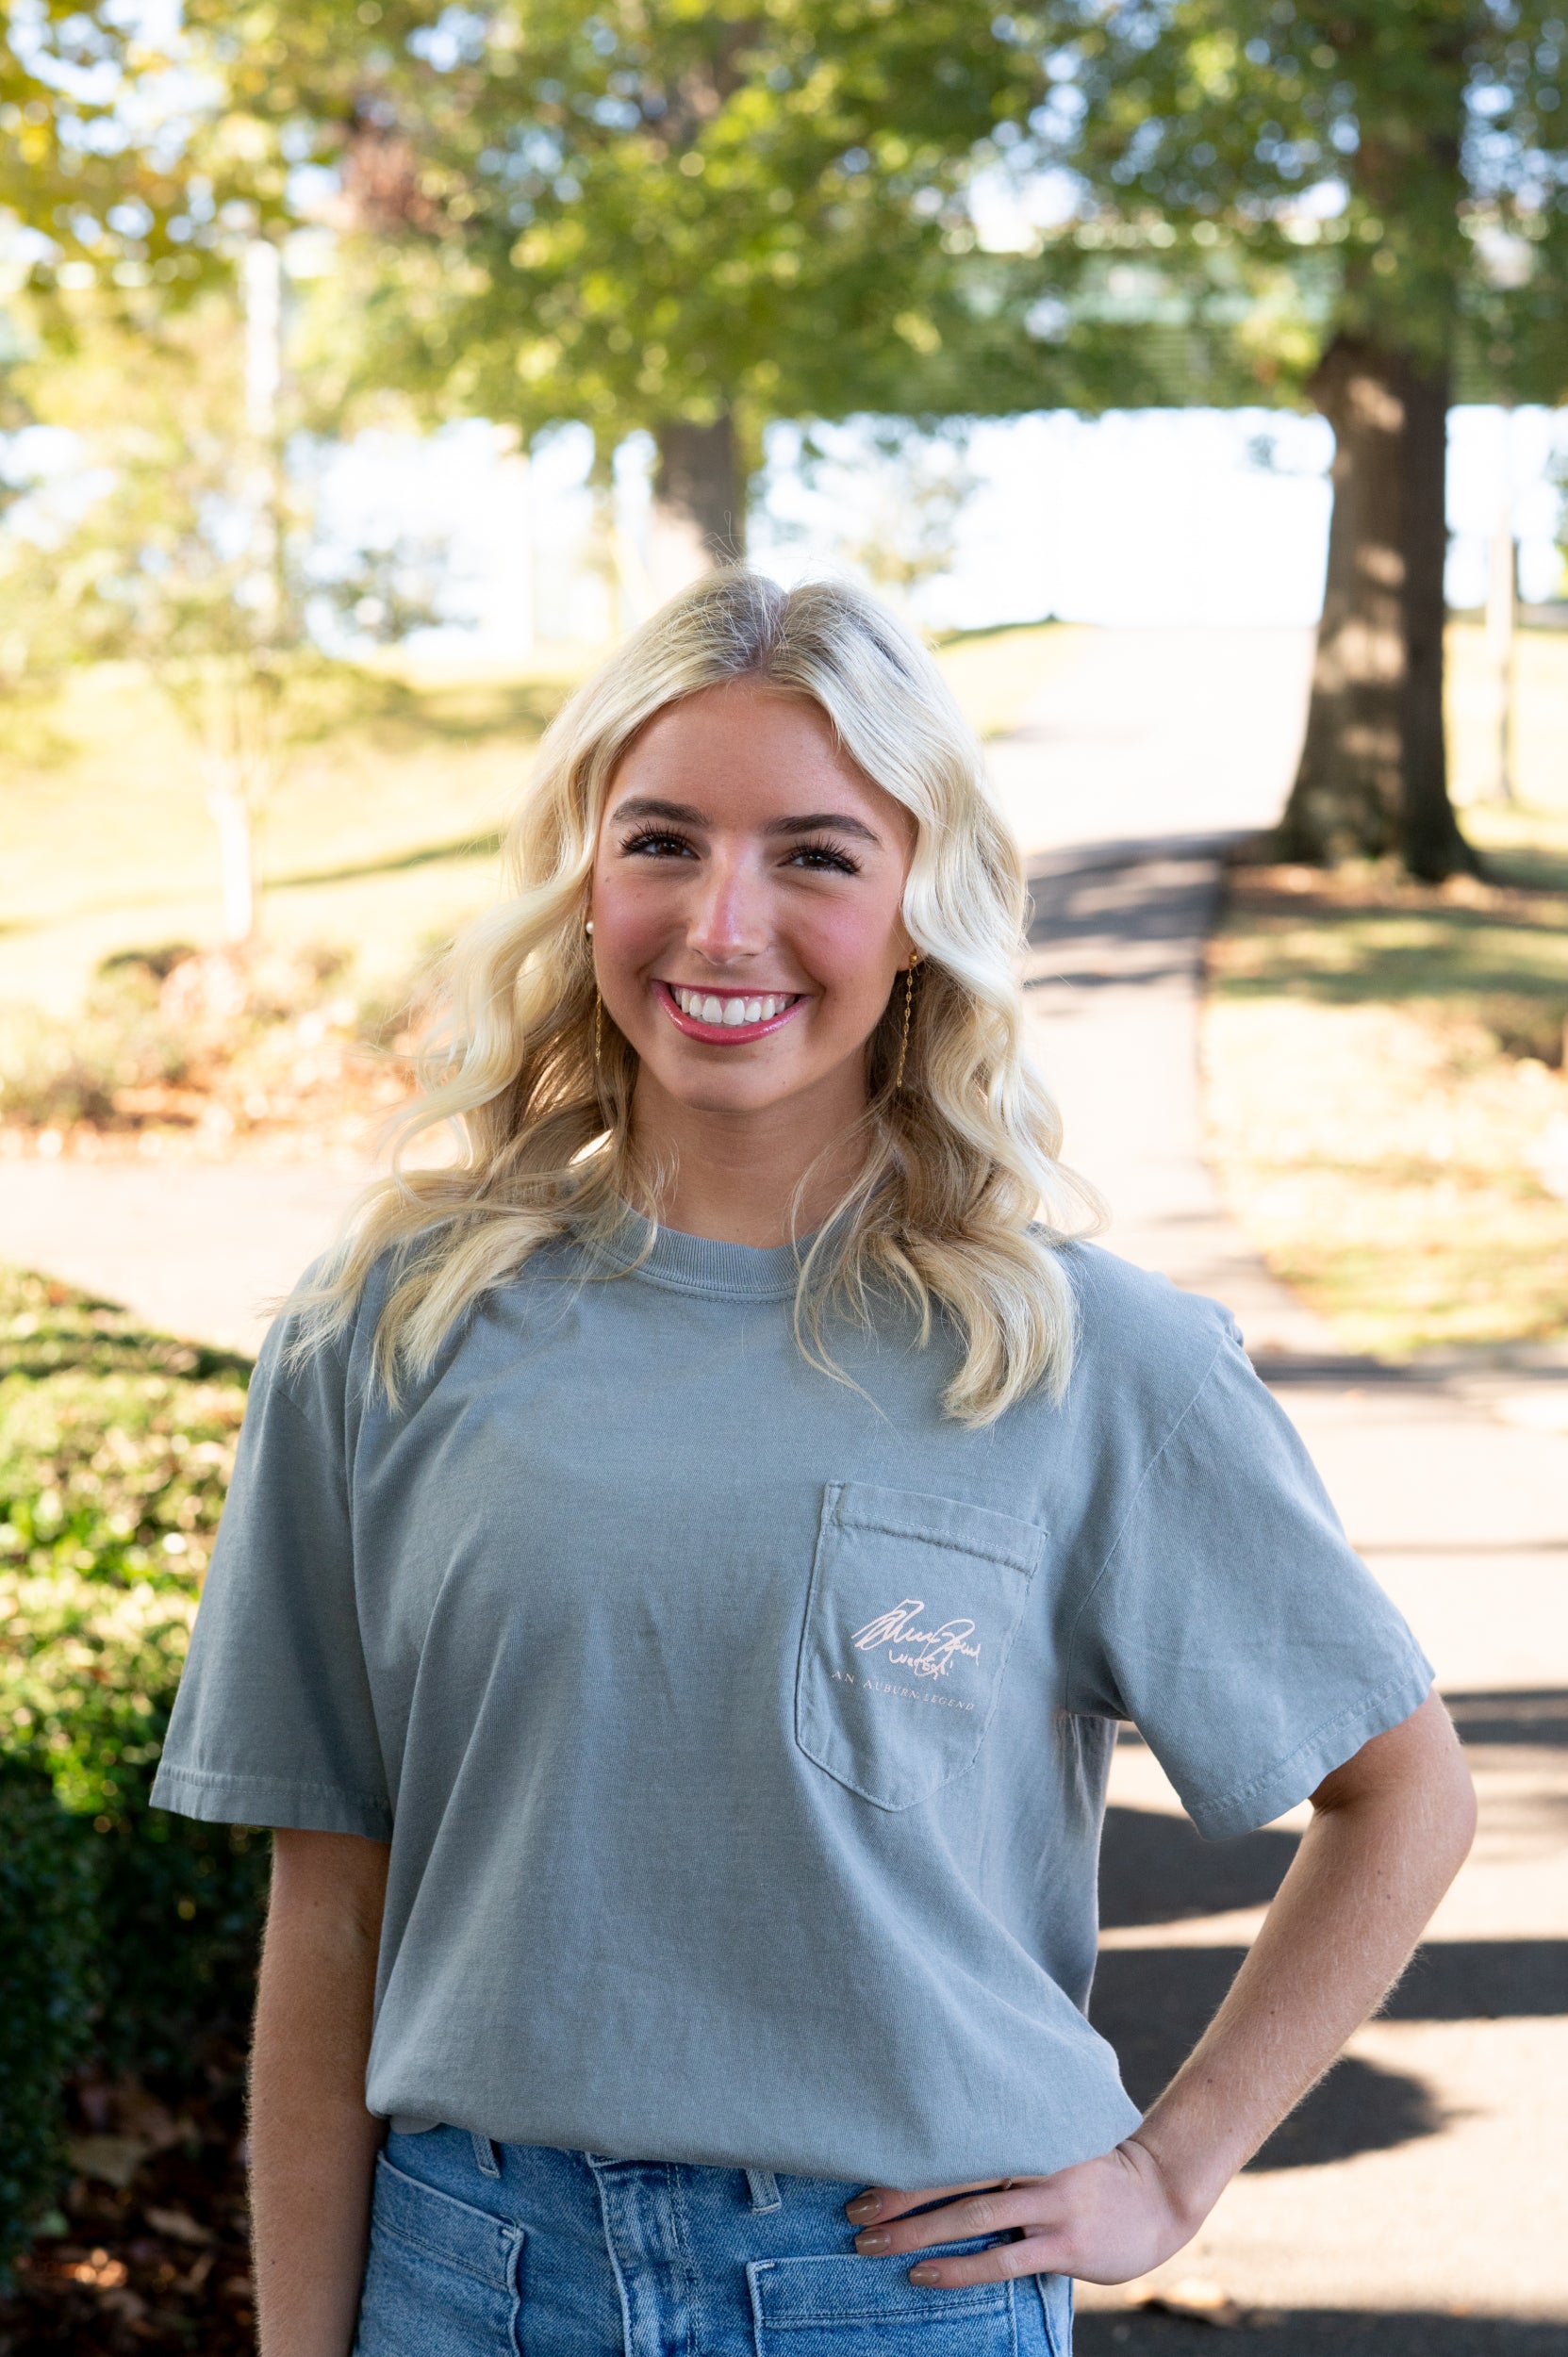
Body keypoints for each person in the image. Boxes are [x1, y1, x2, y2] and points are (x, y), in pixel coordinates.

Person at [151, 569, 1475, 2357]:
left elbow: (1403, 1792)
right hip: (466, 2280)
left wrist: (1169, 2175)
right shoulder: (388, 1328)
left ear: (924, 909)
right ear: (583, 876)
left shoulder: (1089, 1362)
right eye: (664, 842)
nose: (724, 923)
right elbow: (333, 1905)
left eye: (818, 856)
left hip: (896, 2298)